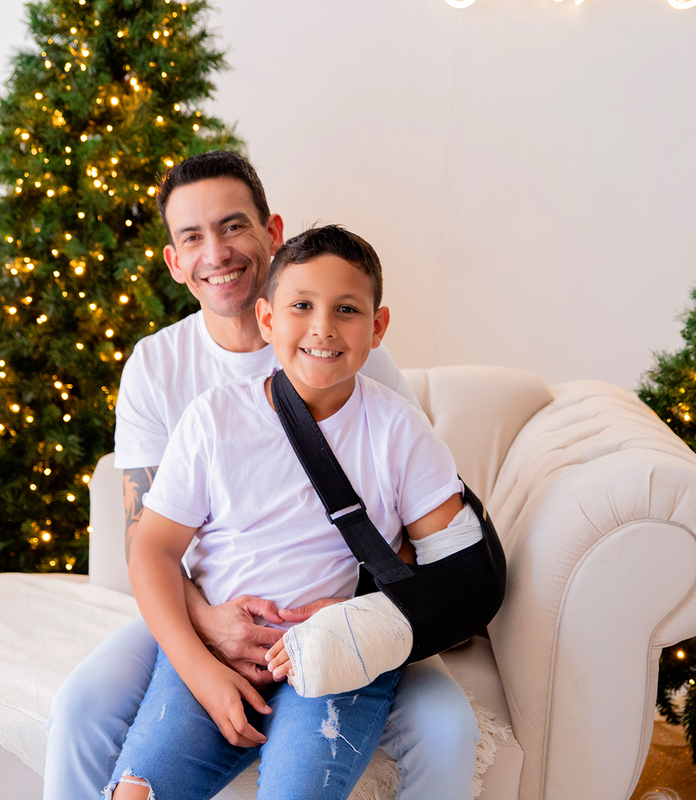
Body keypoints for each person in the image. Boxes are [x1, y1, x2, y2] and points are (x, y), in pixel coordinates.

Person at [44, 152, 480, 798]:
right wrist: (210, 634)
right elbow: (150, 547)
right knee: (81, 707)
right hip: (205, 604)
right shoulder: (167, 377)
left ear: (272, 233)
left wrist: (354, 618)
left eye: (233, 227)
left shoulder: (362, 378)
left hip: (337, 619)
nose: (216, 252)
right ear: (175, 260)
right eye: (192, 237)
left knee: (447, 726)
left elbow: (419, 529)